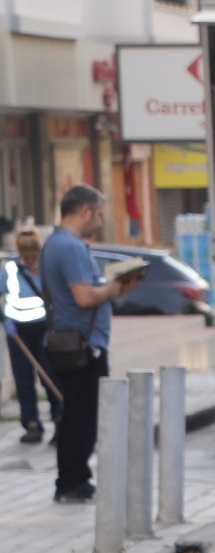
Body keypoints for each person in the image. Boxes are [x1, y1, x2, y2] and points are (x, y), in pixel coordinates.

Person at [39, 186, 142, 501]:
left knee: (72, 413)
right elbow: (83, 297)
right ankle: (75, 482)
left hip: (67, 343)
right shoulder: (71, 247)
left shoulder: (53, 244)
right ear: (84, 211)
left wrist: (112, 289)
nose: (100, 221)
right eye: (98, 214)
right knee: (83, 415)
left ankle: (69, 481)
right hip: (84, 346)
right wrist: (111, 289)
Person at [4, 225, 58, 444]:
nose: (28, 255)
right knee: (24, 380)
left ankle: (59, 419)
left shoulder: (47, 269)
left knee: (50, 377)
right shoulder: (9, 271)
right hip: (17, 332)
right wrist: (5, 320)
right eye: (24, 251)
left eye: (32, 250)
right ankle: (32, 425)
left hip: (43, 329)